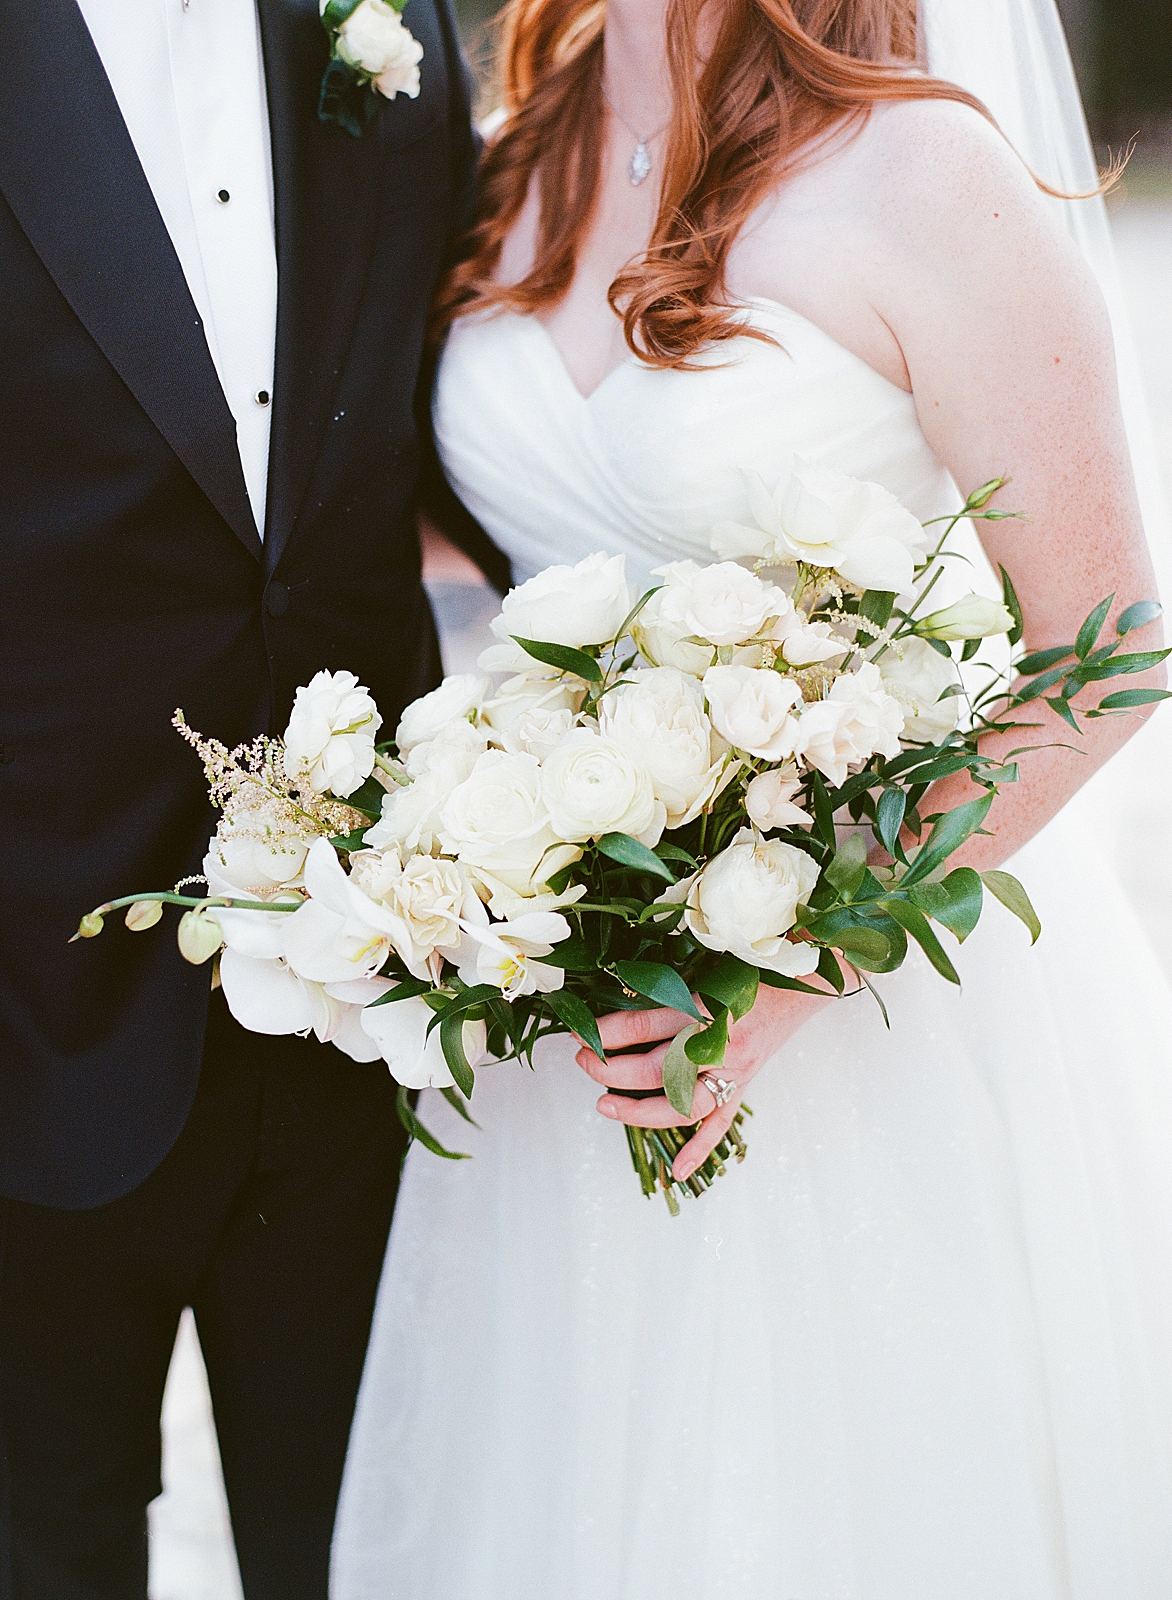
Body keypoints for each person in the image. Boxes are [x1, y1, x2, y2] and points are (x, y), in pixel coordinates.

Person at [332, 0, 1172, 1594]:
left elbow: (1108, 647)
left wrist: (795, 958)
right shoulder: (522, 143)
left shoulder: (925, 171)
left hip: (868, 1019)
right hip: (562, 1027)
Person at [0, 1, 502, 1595]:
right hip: (33, 1013)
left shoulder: (387, 25)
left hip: (376, 1020)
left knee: (380, 1552)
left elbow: (475, 420)